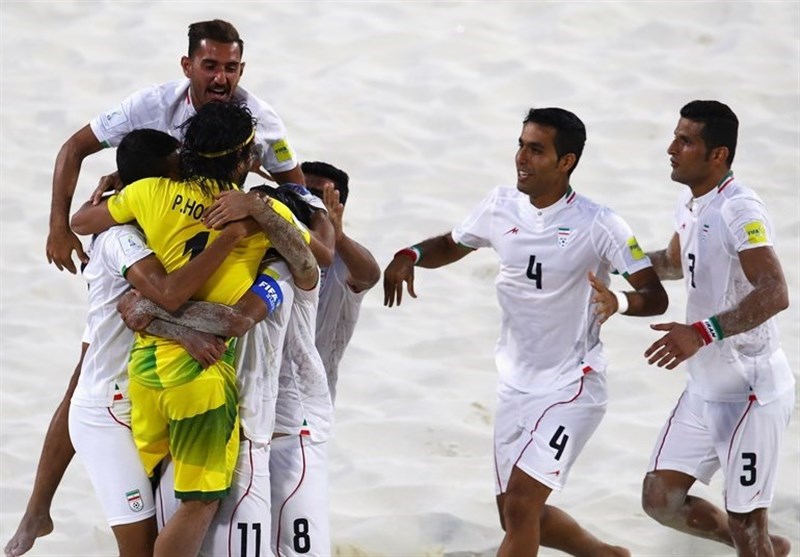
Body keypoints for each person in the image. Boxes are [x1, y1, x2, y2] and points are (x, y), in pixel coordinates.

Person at [383, 107, 668, 557]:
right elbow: (452, 244)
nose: (521, 157)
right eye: (521, 145)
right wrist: (411, 254)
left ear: (566, 161)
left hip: (573, 385)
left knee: (520, 504)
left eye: (536, 150)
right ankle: (607, 556)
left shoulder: (601, 223)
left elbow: (655, 295)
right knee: (515, 513)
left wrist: (621, 302)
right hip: (515, 385)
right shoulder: (501, 205)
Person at [70, 102, 308, 557]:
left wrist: (106, 191)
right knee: (199, 504)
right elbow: (310, 267)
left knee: (152, 503)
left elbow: (81, 223)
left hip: (145, 372)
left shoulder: (150, 192)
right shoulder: (256, 217)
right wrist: (260, 211)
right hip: (201, 379)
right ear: (243, 162)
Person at [5, 129, 257, 557]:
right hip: (108, 412)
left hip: (141, 393)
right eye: (176, 173)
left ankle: (37, 511)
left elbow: (81, 222)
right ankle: (36, 513)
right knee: (139, 550)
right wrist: (233, 238)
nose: (182, 182)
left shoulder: (138, 219)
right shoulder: (124, 239)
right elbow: (169, 295)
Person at [641, 100, 794, 557]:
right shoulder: (690, 205)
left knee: (748, 527)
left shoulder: (739, 210)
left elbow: (775, 292)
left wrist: (701, 332)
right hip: (705, 384)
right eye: (675, 136)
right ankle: (772, 548)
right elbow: (671, 263)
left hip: (749, 390)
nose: (671, 148)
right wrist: (614, 260)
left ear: (717, 155)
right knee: (659, 499)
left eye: (686, 141)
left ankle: (761, 547)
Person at [46, 18, 305, 274]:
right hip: (151, 225)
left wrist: (255, 203)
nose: (220, 78)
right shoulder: (151, 104)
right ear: (187, 66)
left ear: (242, 70)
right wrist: (58, 228)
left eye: (230, 68)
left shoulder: (262, 120)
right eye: (210, 66)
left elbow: (297, 192)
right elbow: (74, 147)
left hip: (212, 234)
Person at [303, 161, 381, 403]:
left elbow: (370, 275)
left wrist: (339, 236)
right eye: (300, 190)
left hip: (309, 396)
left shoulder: (342, 259)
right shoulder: (268, 239)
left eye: (317, 195)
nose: (306, 200)